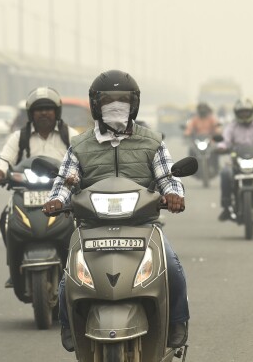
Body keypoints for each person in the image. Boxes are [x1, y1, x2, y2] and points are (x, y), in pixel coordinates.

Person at [42, 69, 190, 352]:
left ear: (134, 105)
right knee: (68, 279)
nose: (116, 107)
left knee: (172, 267)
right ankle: (67, 323)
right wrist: (56, 200)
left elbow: (168, 177)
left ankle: (177, 322)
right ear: (96, 105)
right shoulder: (79, 146)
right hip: (90, 228)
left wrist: (173, 194)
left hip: (143, 227)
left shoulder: (152, 142)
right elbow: (64, 181)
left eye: (123, 100)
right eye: (108, 101)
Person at [0, 87, 79, 288]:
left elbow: (83, 159)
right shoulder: (18, 137)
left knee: (82, 221)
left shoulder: (69, 135)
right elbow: (4, 158)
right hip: (26, 191)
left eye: (48, 108)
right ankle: (14, 264)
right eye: (39, 109)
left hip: (61, 193)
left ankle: (79, 267)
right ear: (31, 113)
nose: (44, 113)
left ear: (57, 111)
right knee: (5, 219)